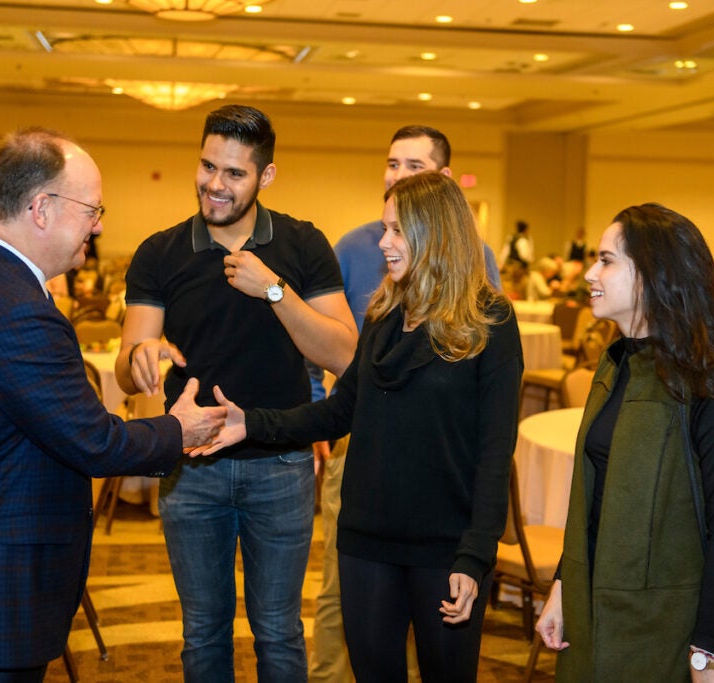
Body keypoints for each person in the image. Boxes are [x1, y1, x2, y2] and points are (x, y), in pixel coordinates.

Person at [0, 127, 227, 683]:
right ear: (41, 208)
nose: (98, 225)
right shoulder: (16, 310)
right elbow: (93, 441)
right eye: (92, 209)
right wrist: (179, 429)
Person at [203, 171, 523, 682]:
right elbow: (338, 411)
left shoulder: (490, 321)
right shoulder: (385, 315)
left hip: (446, 548)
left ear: (434, 233)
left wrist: (475, 556)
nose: (383, 243)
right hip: (367, 541)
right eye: (384, 228)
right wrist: (251, 424)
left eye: (396, 231)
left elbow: (494, 451)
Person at [114, 104, 357, 682]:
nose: (214, 185)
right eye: (206, 166)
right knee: (203, 631)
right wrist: (139, 358)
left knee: (278, 630)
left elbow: (343, 353)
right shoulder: (161, 252)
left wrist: (273, 289)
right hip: (192, 465)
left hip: (280, 462)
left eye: (234, 173)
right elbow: (128, 367)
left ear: (265, 176)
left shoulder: (301, 244)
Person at [309, 123, 502, 683]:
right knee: (343, 609)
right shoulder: (364, 271)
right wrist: (267, 419)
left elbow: (490, 434)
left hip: (441, 500)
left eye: (413, 167)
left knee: (439, 648)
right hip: (366, 481)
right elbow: (336, 376)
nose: (396, 175)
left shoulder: (482, 286)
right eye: (392, 164)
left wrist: (475, 550)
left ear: (442, 186)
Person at [534, 202, 714, 682]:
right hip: (591, 611)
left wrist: (705, 652)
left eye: (607, 260)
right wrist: (562, 586)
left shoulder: (709, 379)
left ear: (653, 274)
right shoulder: (616, 363)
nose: (591, 272)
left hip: (661, 631)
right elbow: (588, 501)